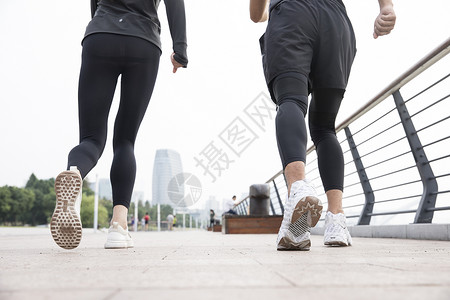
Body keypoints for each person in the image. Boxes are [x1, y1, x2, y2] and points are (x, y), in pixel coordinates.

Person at [250, 0, 395, 250]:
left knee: (291, 100)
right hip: (335, 23)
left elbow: (256, 14)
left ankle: (297, 188)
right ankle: (334, 221)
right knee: (325, 127)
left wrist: (265, 13)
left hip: (292, 16)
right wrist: (387, 7)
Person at [50, 0, 188, 250]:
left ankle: (74, 172)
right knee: (125, 140)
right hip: (143, 41)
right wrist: (180, 49)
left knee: (91, 139)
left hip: (101, 34)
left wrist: (103, 22)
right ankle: (118, 227)